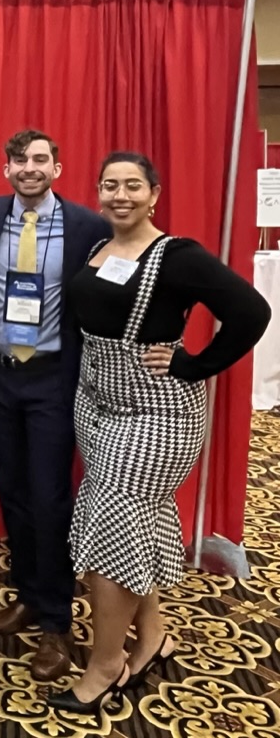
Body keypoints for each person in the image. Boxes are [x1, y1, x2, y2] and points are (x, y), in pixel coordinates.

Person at [49, 152, 270, 713]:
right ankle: (153, 636)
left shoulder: (178, 256)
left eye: (131, 186)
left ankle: (105, 665)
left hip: (158, 412)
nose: (119, 195)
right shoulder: (100, 249)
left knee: (109, 534)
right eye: (108, 185)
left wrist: (192, 365)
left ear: (154, 193)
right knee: (130, 526)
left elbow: (251, 311)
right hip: (96, 405)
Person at [0, 129, 110, 681]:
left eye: (40, 159)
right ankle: (27, 593)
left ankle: (56, 622)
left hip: (52, 377)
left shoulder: (86, 226)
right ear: (7, 169)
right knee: (14, 494)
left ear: (58, 167)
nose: (30, 167)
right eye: (20, 159)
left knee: (50, 498)